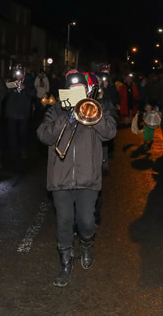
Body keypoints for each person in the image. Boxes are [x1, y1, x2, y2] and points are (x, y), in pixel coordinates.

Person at [37, 70, 117, 287]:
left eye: (79, 89)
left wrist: (92, 117)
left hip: (87, 176)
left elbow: (110, 132)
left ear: (86, 90)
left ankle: (87, 243)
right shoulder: (55, 109)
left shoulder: (98, 107)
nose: (75, 92)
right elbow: (43, 135)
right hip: (60, 177)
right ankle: (65, 263)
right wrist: (66, 118)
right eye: (71, 89)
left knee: (86, 221)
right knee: (64, 221)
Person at [4, 65, 36, 160]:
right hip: (11, 112)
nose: (18, 76)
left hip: (23, 113)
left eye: (21, 74)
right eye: (17, 74)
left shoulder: (29, 82)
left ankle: (23, 149)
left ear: (24, 74)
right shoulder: (11, 81)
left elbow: (33, 94)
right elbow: (4, 95)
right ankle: (14, 151)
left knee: (23, 133)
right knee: (12, 133)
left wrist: (24, 88)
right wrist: (7, 86)